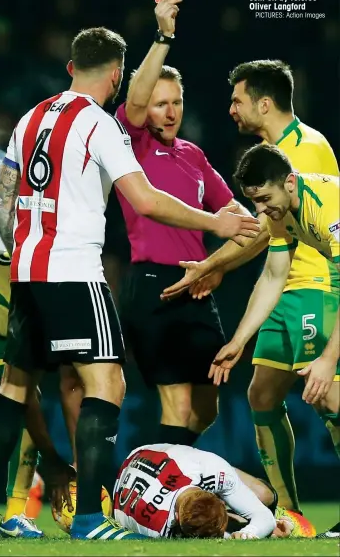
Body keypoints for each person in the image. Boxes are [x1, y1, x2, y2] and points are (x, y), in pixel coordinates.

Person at [0, 26, 259, 542]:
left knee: (13, 387)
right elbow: (147, 200)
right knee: (106, 385)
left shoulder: (29, 118)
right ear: (116, 77)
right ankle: (91, 518)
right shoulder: (97, 124)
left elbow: (3, 198)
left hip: (26, 270)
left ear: (72, 68)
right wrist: (216, 225)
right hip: (73, 271)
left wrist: (22, 246)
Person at [161, 60, 340, 537]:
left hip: (316, 287)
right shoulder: (268, 158)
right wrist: (240, 338)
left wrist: (211, 264)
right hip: (286, 287)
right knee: (261, 395)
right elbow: (273, 252)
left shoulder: (306, 152)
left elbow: (262, 232)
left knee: (328, 394)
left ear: (264, 102)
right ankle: (292, 514)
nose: (230, 109)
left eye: (237, 99)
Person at [112, 0, 257, 448]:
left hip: (197, 289)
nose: (169, 112)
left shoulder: (193, 155)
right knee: (175, 406)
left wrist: (215, 266)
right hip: (154, 285)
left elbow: (242, 218)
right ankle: (164, 499)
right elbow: (134, 102)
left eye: (176, 102)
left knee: (207, 405)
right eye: (160, 103)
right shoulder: (129, 143)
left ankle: (156, 473)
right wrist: (164, 35)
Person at [0, 100, 73, 539]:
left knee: (15, 391)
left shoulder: (5, 164)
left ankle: (8, 510)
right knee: (18, 391)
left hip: (3, 282)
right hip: (8, 280)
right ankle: (13, 509)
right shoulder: (7, 163)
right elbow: (10, 213)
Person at [113, 442, 309, 539]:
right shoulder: (157, 528)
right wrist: (252, 534)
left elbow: (262, 516)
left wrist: (252, 530)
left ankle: (278, 513)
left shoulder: (209, 468)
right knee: (238, 523)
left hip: (149, 452)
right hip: (133, 470)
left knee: (263, 495)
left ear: (219, 497)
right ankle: (246, 521)